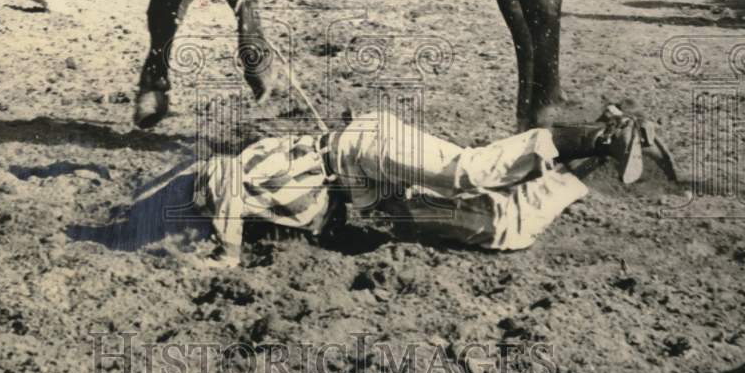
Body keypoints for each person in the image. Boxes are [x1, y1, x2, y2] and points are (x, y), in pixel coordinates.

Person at [117, 103, 677, 264]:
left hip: (361, 153)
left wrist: (224, 252)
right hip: (371, 187)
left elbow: (224, 188)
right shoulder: (240, 180)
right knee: (503, 230)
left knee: (470, 170)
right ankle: (590, 158)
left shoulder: (224, 179)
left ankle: (603, 137)